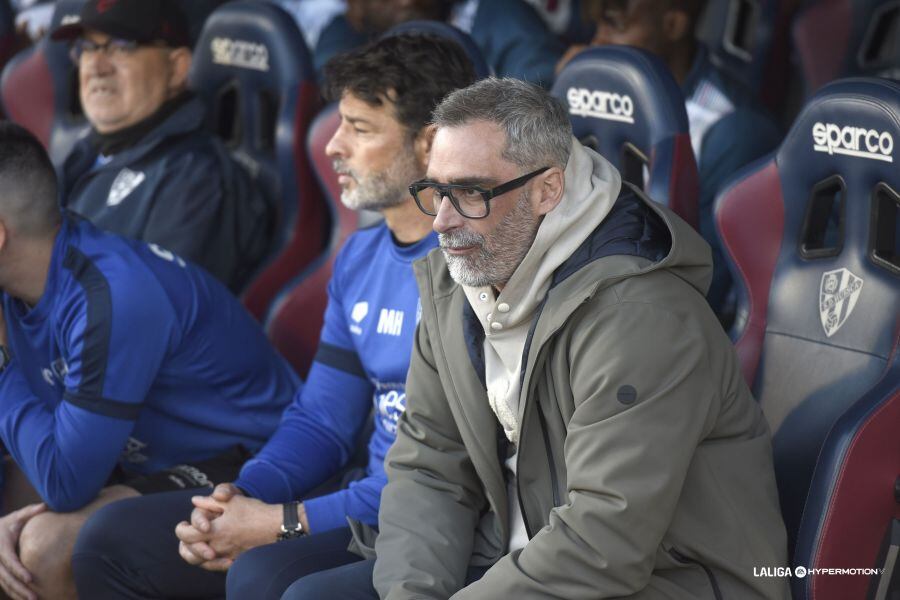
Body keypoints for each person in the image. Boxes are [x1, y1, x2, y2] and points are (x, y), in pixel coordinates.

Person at [276, 77, 790, 599]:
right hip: (512, 551)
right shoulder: (454, 280)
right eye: (436, 192)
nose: (442, 223)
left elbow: (602, 543)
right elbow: (430, 467)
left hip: (664, 579)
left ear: (547, 190)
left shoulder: (643, 318)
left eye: (471, 193)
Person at [70, 33, 477, 600]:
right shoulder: (359, 257)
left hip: (433, 520)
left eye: (360, 129)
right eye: (339, 124)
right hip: (362, 498)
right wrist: (239, 497)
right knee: (110, 539)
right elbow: (322, 421)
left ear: (431, 143)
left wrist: (283, 522)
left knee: (264, 577)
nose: (332, 146)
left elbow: (444, 477)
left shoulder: (476, 271)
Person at [0, 121, 299, 600]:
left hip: (251, 462)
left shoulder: (111, 296)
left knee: (43, 549)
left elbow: (65, 484)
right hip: (141, 462)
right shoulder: (24, 284)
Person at [558, 0, 781, 320]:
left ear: (673, 26)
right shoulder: (579, 95)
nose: (598, 42)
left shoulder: (731, 128)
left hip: (665, 321)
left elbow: (705, 285)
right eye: (597, 27)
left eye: (616, 27)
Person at [51, 0, 274, 293]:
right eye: (87, 47)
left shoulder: (196, 179)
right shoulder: (89, 149)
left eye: (121, 46)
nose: (96, 66)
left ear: (178, 67)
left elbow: (151, 320)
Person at [313, 0, 564, 87]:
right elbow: (331, 97)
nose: (406, 1)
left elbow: (537, 98)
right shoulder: (347, 29)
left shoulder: (498, 15)